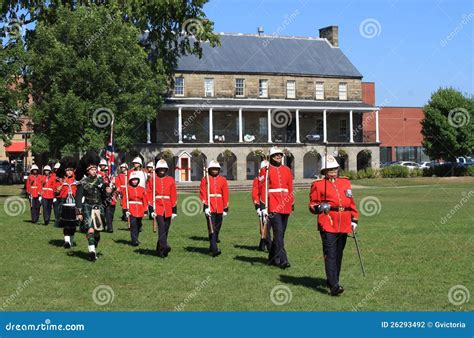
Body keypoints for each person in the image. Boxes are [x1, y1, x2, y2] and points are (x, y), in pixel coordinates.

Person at [309, 155, 359, 296]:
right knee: (330, 254)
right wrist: (319, 207)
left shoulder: (345, 183)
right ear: (324, 171)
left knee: (338, 254)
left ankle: (333, 280)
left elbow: (351, 202)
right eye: (330, 169)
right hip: (328, 221)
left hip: (343, 222)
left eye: (335, 168)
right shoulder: (318, 185)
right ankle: (334, 286)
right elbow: (312, 204)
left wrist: (354, 219)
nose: (333, 171)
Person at [258, 146, 293, 269]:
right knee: (278, 233)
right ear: (271, 157)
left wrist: (291, 203)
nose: (278, 157)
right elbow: (263, 188)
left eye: (280, 155)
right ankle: (283, 260)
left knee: (281, 234)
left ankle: (272, 257)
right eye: (275, 155)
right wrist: (262, 206)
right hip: (273, 204)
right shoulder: (265, 170)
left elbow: (290, 187)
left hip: (286, 204)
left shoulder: (287, 170)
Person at [75, 151, 111, 261]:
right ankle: (91, 252)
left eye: (95, 169)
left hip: (98, 207)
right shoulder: (83, 182)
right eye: (92, 169)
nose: (94, 171)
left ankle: (93, 247)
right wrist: (79, 212)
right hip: (87, 206)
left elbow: (105, 195)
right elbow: (79, 198)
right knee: (90, 230)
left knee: (97, 232)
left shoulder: (101, 180)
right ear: (87, 171)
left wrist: (108, 191)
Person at [147, 159, 177, 258]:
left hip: (168, 206)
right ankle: (164, 246)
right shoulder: (152, 180)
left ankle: (159, 250)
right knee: (161, 227)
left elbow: (173, 195)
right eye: (160, 169)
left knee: (166, 229)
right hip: (158, 206)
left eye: (164, 169)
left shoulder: (171, 180)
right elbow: (149, 194)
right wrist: (151, 210)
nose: (162, 171)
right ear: (157, 170)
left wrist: (174, 210)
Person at [199, 160, 229, 257]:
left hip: (220, 206)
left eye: (216, 169)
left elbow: (225, 194)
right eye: (213, 169)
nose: (215, 171)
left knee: (217, 228)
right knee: (211, 227)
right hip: (210, 206)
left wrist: (225, 208)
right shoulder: (205, 179)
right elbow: (202, 193)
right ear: (209, 170)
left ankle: (212, 246)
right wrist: (205, 207)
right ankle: (215, 249)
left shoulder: (223, 180)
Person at [54, 157, 78, 248]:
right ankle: (66, 241)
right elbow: (56, 192)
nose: (69, 172)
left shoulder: (77, 179)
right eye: (67, 170)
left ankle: (71, 241)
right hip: (65, 205)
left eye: (70, 170)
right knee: (66, 224)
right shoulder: (61, 180)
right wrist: (58, 189)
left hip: (74, 205)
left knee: (73, 225)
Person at [252, 160, 271, 251]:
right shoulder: (258, 178)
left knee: (268, 224)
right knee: (264, 224)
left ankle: (262, 245)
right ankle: (269, 246)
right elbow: (255, 192)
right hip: (263, 203)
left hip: (273, 202)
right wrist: (257, 206)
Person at [126, 171, 148, 246]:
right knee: (133, 225)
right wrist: (126, 209)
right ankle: (134, 240)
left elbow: (144, 200)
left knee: (138, 225)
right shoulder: (127, 189)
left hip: (140, 208)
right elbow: (125, 199)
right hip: (131, 208)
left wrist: (145, 210)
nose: (134, 181)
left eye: (136, 180)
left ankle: (136, 238)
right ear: (131, 181)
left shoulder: (142, 189)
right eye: (133, 180)